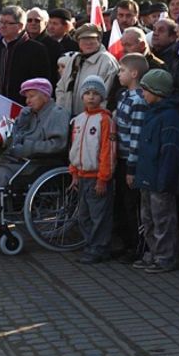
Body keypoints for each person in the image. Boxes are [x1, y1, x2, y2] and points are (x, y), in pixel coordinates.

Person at [0, 77, 69, 238]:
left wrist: (27, 147)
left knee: (2, 171)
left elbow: (57, 145)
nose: (27, 101)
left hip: (41, 163)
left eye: (32, 96)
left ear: (45, 96)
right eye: (26, 97)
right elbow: (13, 135)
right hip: (22, 160)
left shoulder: (57, 113)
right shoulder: (29, 113)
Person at [131, 68, 179, 274]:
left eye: (145, 90)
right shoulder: (152, 113)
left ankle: (165, 256)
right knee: (148, 218)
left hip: (160, 179)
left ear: (157, 91)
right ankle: (153, 253)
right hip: (147, 175)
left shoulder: (169, 117)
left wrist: (166, 179)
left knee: (163, 218)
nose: (142, 94)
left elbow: (170, 153)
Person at [68, 75, 115, 264]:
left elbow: (107, 150)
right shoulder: (78, 120)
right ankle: (90, 244)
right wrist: (74, 172)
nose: (90, 97)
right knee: (84, 215)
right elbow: (75, 147)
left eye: (95, 93)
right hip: (82, 176)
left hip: (97, 177)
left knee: (99, 216)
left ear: (102, 97)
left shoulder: (105, 120)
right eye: (87, 93)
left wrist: (103, 178)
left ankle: (99, 248)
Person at [112, 53, 149, 262]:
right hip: (120, 157)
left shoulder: (138, 101)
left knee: (133, 206)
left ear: (134, 73)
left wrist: (132, 168)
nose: (119, 74)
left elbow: (136, 136)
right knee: (123, 204)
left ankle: (139, 247)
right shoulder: (124, 96)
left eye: (122, 70)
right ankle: (127, 244)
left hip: (131, 160)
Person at [0, 5, 51, 103]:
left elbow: (41, 82)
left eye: (7, 23)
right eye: (1, 22)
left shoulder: (36, 49)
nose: (2, 26)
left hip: (24, 105)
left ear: (20, 26)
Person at [55, 24, 119, 115]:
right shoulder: (74, 59)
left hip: (94, 118)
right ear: (78, 42)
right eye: (84, 39)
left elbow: (107, 94)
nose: (88, 42)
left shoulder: (107, 61)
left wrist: (95, 116)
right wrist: (61, 111)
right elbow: (61, 87)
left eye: (92, 39)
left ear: (99, 40)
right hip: (69, 118)